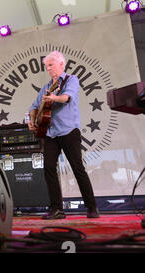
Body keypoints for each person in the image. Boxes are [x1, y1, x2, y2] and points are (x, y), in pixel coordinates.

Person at [28, 51, 99, 219]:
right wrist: (31, 119)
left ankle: (92, 207)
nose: (48, 69)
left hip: (68, 130)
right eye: (46, 66)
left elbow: (67, 98)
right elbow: (33, 106)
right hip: (50, 132)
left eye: (51, 65)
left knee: (77, 168)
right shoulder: (45, 87)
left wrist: (54, 98)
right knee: (49, 168)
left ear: (61, 64)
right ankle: (57, 209)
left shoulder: (71, 80)